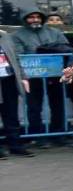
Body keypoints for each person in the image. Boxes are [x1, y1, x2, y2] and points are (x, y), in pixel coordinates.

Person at [12, 9, 72, 144]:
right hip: (32, 75)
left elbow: (65, 47)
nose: (35, 20)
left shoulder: (54, 32)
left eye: (38, 17)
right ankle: (37, 135)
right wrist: (45, 51)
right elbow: (18, 53)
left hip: (55, 74)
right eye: (31, 17)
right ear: (25, 19)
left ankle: (59, 133)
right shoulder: (17, 35)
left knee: (58, 105)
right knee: (34, 107)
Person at [0, 28, 33, 158]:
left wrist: (23, 77)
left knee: (11, 114)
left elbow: (16, 59)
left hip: (9, 79)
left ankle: (15, 145)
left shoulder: (5, 37)